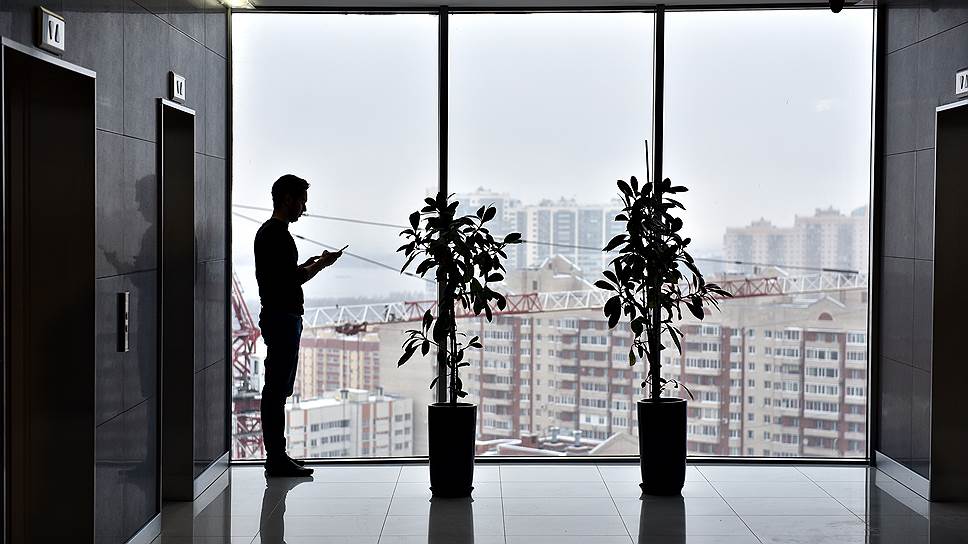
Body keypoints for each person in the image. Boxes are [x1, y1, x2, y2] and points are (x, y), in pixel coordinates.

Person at [255, 174, 344, 477]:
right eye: (301, 201)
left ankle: (277, 456)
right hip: (283, 319)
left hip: (278, 317)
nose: (304, 208)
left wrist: (309, 263)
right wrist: (319, 265)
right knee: (276, 391)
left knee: (276, 389)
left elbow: (282, 275)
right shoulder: (278, 235)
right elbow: (291, 280)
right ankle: (276, 458)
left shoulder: (269, 233)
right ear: (287, 199)